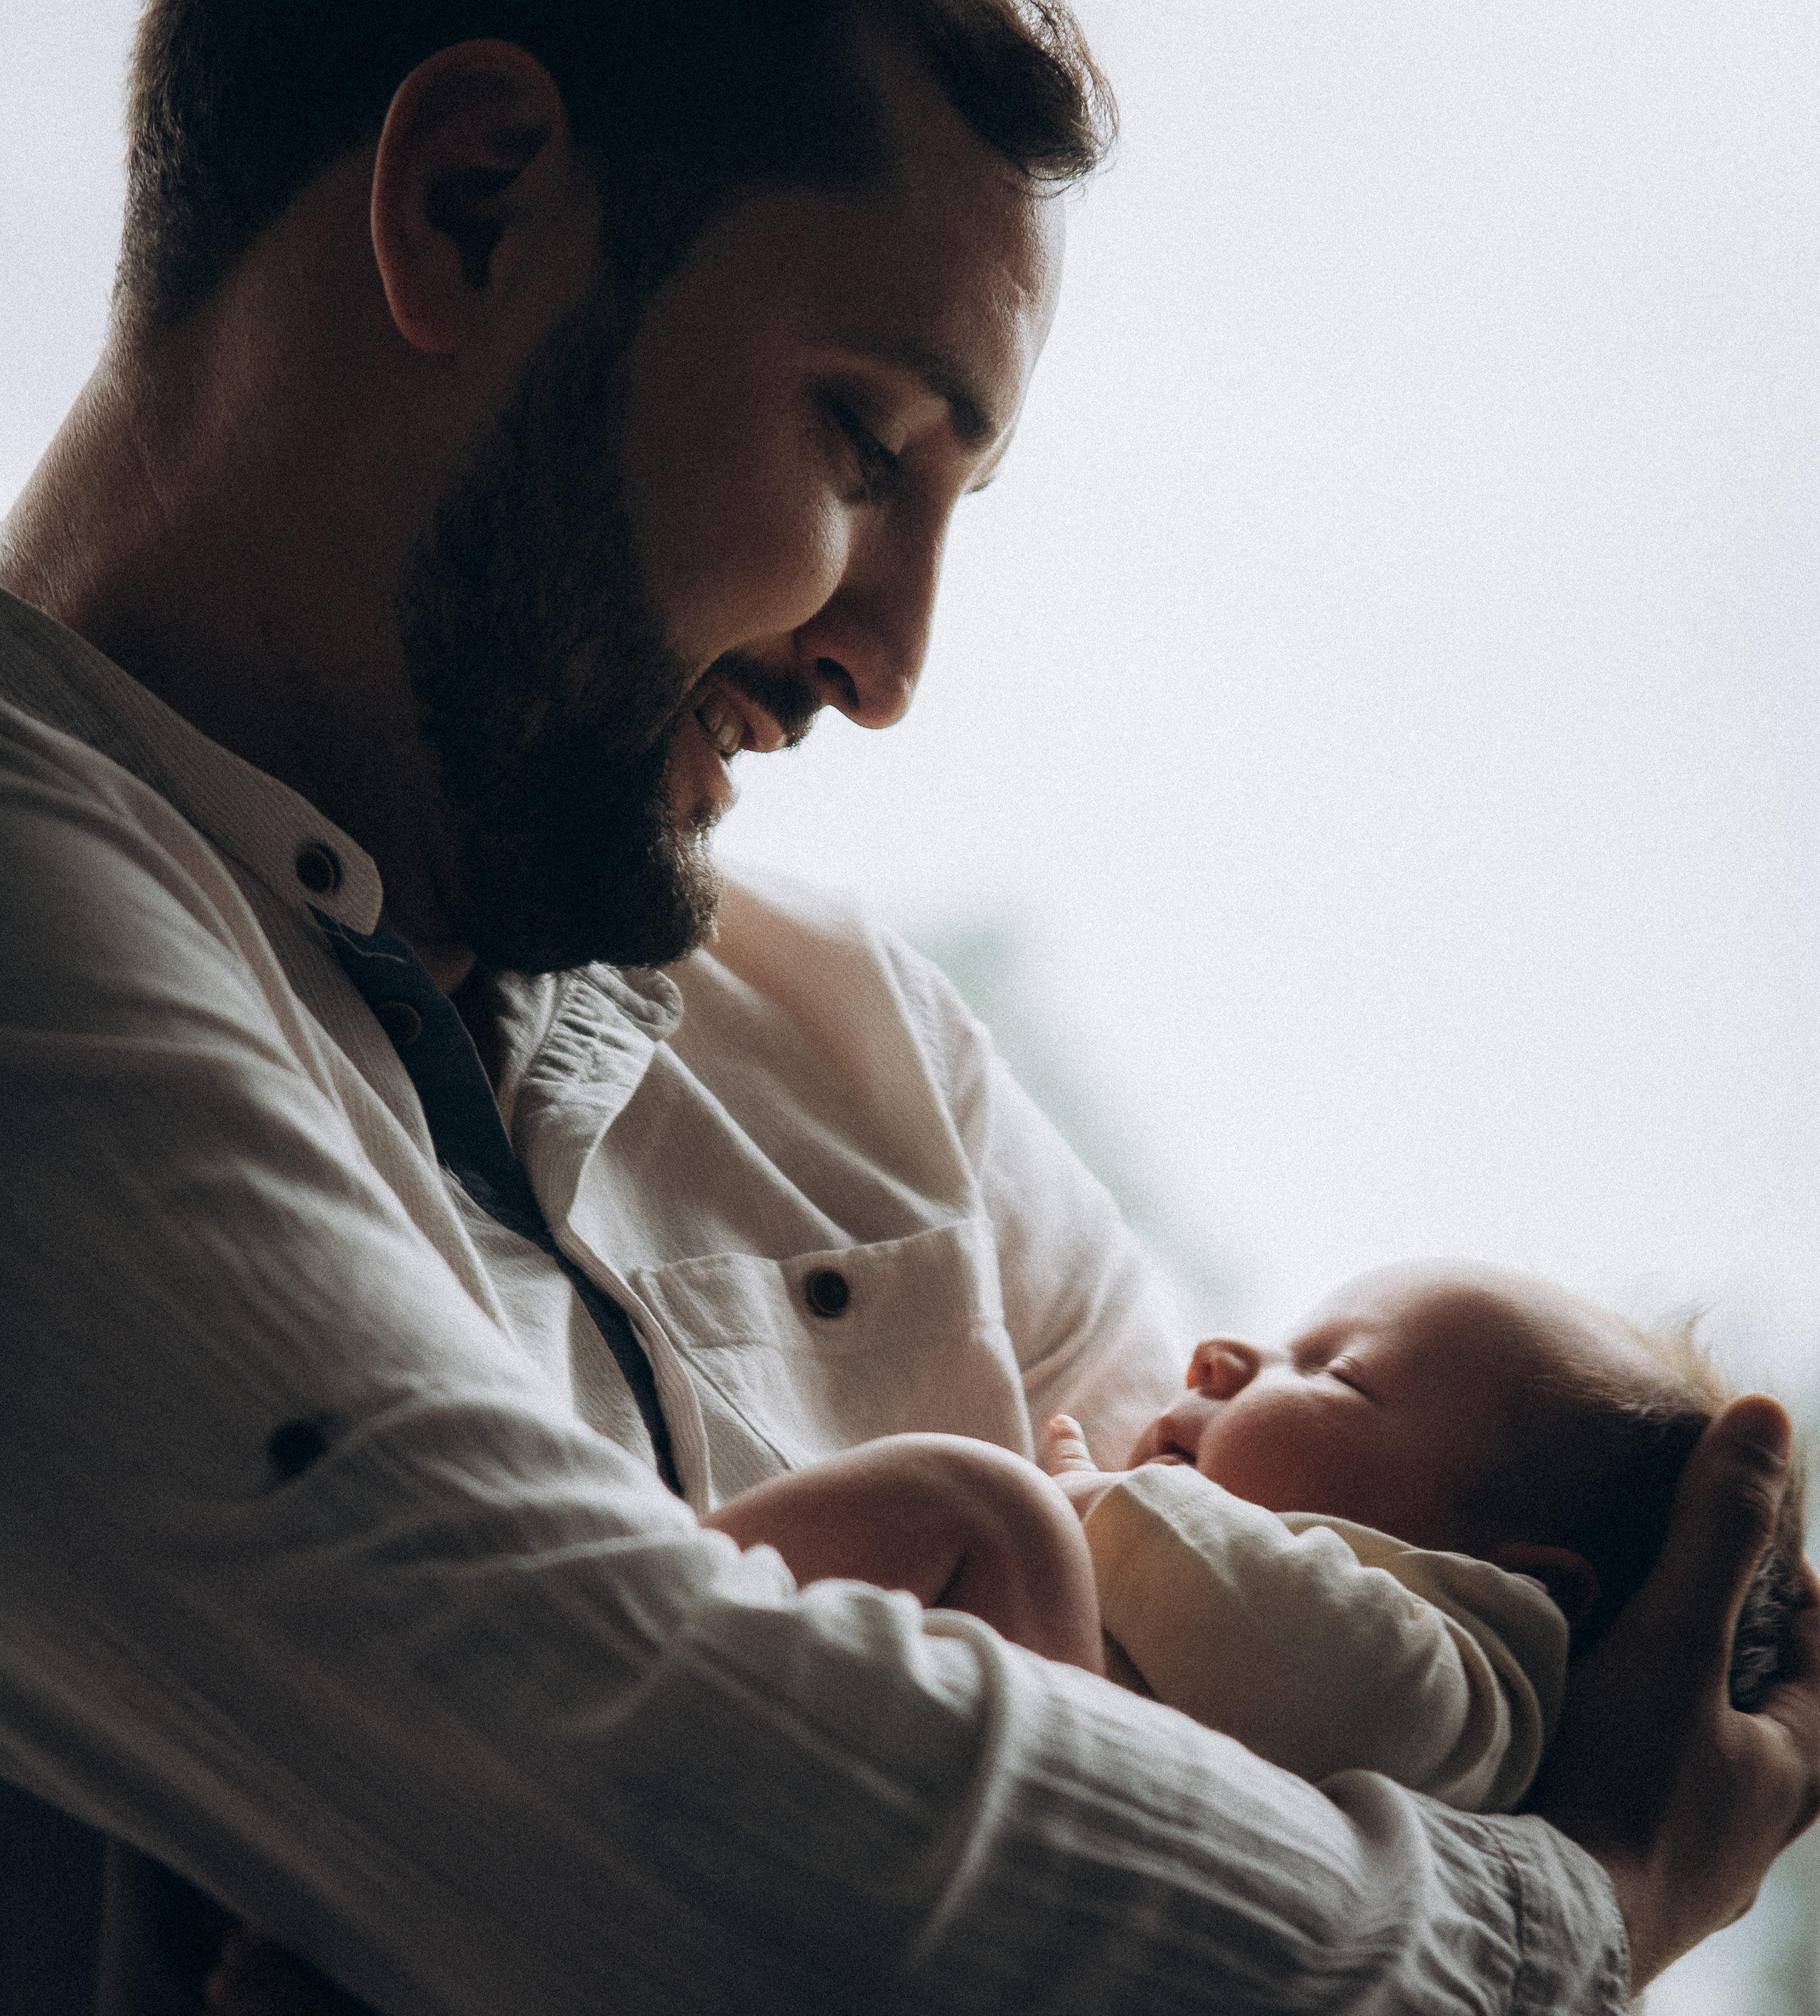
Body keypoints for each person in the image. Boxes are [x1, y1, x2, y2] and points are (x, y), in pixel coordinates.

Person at [0, 4, 1814, 2014]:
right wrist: (1594, 1898)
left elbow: (1299, 1743)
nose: (891, 661)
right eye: (867, 446)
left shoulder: (869, 1046)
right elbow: (733, 1831)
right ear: (471, 206)